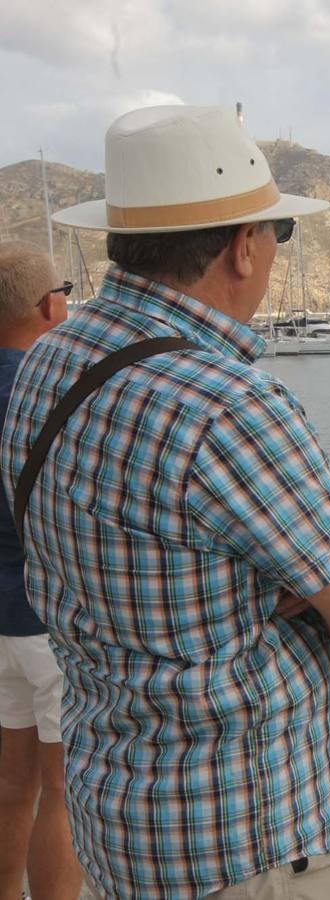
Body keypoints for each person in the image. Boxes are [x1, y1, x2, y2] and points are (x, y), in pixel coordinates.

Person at [1, 105, 330, 898]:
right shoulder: (230, 406)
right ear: (242, 248)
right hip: (246, 838)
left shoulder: (50, 362)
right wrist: (285, 583)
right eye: (276, 236)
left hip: (116, 814)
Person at [0, 246, 82, 900]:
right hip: (46, 623)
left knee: (11, 790)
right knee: (60, 793)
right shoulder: (49, 394)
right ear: (48, 305)